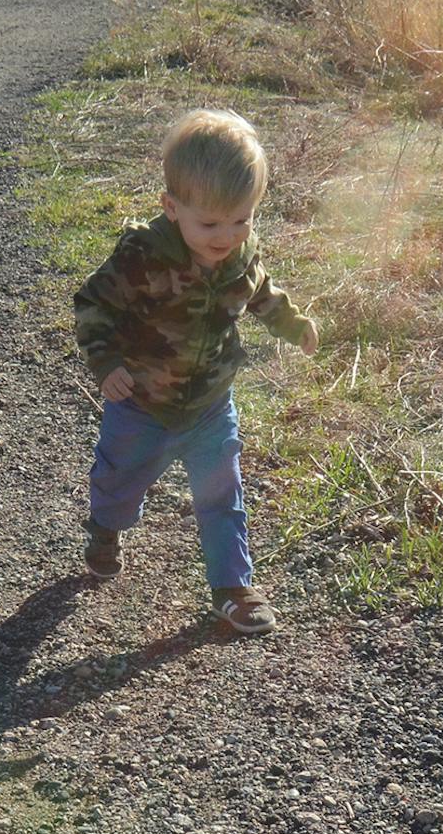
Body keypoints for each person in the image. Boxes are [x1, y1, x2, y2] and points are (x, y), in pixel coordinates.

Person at [72, 110, 322, 634]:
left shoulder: (239, 255)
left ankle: (233, 589)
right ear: (171, 207)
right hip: (142, 403)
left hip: (211, 403)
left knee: (221, 492)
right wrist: (107, 361)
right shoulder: (143, 256)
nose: (227, 235)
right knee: (121, 483)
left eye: (242, 220)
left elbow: (261, 294)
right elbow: (95, 305)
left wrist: (292, 324)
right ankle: (105, 527)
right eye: (210, 223)